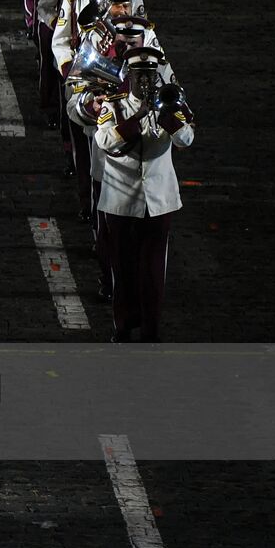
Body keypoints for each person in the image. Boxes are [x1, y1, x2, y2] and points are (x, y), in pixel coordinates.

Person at [93, 46, 194, 341]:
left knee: (152, 271)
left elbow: (187, 138)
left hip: (159, 200)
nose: (147, 82)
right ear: (129, 76)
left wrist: (169, 120)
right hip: (121, 201)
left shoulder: (171, 104)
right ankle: (123, 326)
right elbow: (104, 142)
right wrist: (136, 118)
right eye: (140, 76)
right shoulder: (114, 106)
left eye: (151, 75)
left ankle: (151, 328)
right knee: (123, 268)